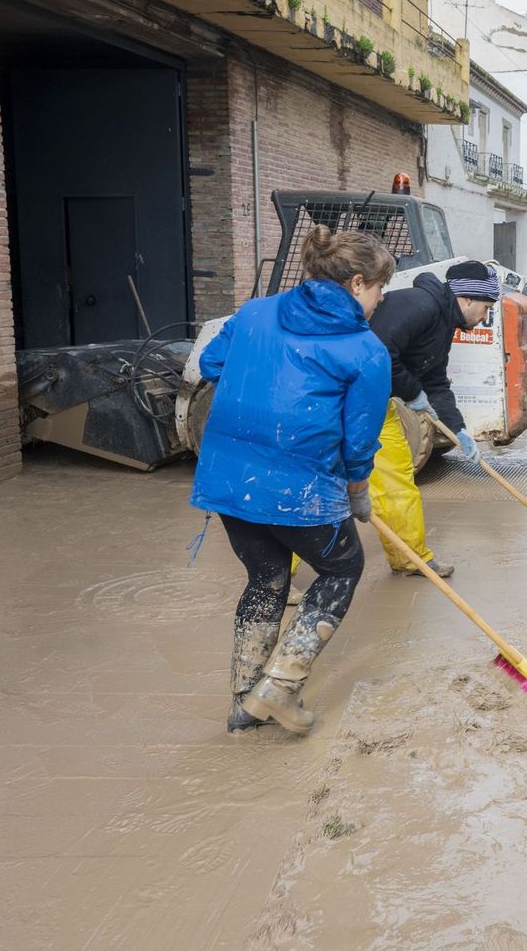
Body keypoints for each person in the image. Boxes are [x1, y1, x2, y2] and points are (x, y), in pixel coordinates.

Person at [190, 226, 394, 734]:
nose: (382, 297)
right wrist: (358, 493)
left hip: (231, 483)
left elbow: (211, 363)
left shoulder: (257, 311)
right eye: (379, 287)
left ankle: (244, 702)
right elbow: (358, 442)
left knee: (266, 578)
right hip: (300, 489)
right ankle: (280, 689)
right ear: (355, 283)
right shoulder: (365, 351)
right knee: (343, 568)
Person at [367, 260, 498, 579]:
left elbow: (435, 380)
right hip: (340, 399)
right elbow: (379, 352)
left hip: (375, 405)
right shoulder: (421, 306)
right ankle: (282, 574)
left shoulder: (442, 324)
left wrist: (458, 431)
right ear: (466, 298)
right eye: (484, 308)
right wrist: (412, 391)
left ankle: (409, 557)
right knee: (317, 489)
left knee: (398, 482)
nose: (483, 318)